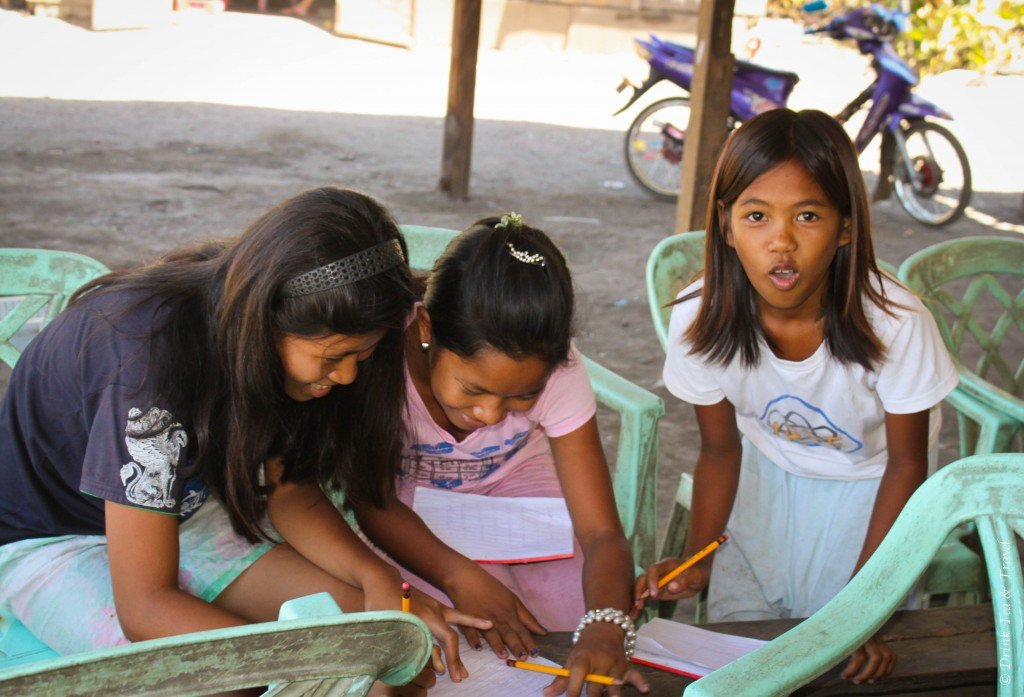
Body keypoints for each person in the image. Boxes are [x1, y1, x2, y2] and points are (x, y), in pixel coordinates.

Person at [0, 187, 490, 695]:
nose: (345, 376)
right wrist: (308, 666)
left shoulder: (260, 338)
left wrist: (380, 580)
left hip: (181, 512)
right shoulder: (150, 372)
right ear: (266, 321)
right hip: (49, 540)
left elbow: (291, 491)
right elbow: (144, 609)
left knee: (384, 650)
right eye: (332, 358)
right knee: (245, 682)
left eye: (361, 358)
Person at [634, 109, 957, 685]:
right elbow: (719, 450)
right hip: (762, 481)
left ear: (846, 226)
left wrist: (869, 604)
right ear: (727, 225)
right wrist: (700, 557)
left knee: (840, 659)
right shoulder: (697, 314)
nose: (781, 240)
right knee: (748, 651)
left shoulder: (897, 323)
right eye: (756, 216)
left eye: (807, 215)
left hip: (873, 498)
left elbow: (909, 465)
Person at [352, 214, 649, 697]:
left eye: (521, 397)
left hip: (520, 489)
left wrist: (606, 625)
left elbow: (601, 532)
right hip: (412, 513)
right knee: (428, 630)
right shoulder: (380, 355)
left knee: (575, 613)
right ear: (427, 327)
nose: (490, 414)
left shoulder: (560, 370)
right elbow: (370, 500)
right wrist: (458, 573)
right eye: (473, 389)